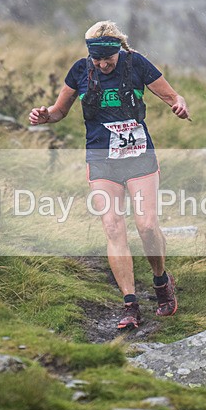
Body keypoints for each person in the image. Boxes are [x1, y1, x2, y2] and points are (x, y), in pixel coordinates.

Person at [29, 20, 190, 329]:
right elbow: (59, 111)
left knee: (146, 226)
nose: (103, 65)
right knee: (114, 228)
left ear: (118, 51)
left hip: (138, 156)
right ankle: (130, 305)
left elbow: (174, 97)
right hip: (102, 159)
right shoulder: (80, 71)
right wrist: (45, 115)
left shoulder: (136, 64)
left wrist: (179, 105)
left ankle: (161, 281)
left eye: (108, 59)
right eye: (97, 59)